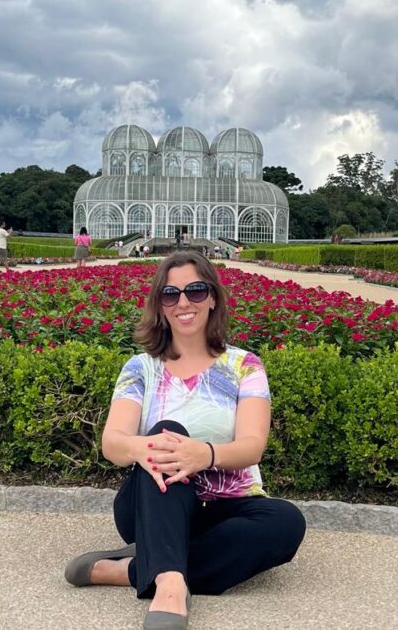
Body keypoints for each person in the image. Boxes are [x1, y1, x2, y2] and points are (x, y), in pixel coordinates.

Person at [64, 252, 306, 629]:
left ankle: (133, 568)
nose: (183, 303)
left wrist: (204, 455)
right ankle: (171, 586)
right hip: (154, 501)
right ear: (159, 305)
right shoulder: (141, 367)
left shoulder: (245, 366)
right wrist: (148, 447)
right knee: (166, 430)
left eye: (195, 291)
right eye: (170, 294)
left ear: (212, 298)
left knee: (287, 523)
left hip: (228, 506)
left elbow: (252, 446)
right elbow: (112, 442)